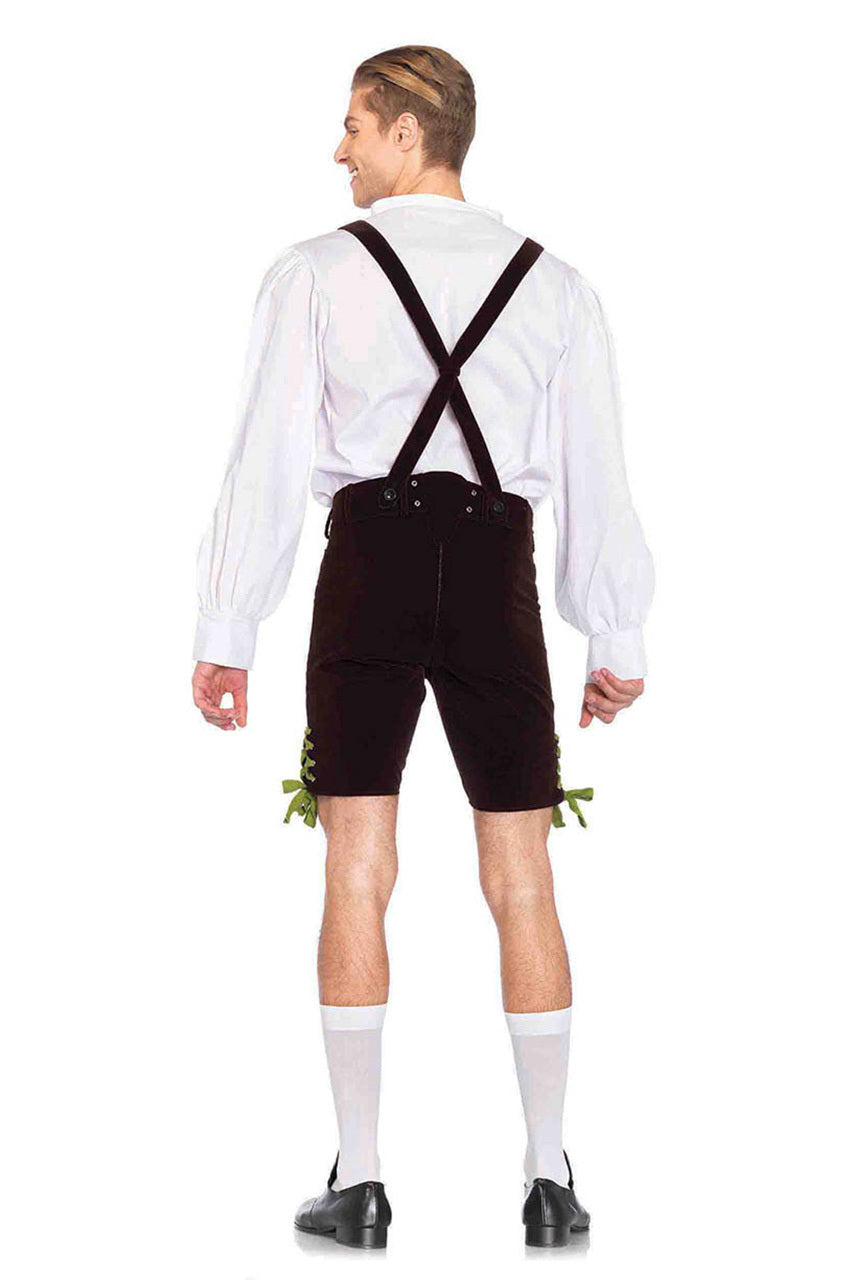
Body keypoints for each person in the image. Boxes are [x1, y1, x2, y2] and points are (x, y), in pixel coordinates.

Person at [191, 45, 654, 1250]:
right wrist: (612, 633)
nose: (337, 147)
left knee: (357, 864)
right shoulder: (557, 287)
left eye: (353, 123)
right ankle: (548, 1176)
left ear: (408, 131)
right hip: (496, 567)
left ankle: (359, 1177)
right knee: (523, 873)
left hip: (371, 566)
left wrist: (228, 627)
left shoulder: (313, 272)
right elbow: (595, 470)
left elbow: (266, 457)